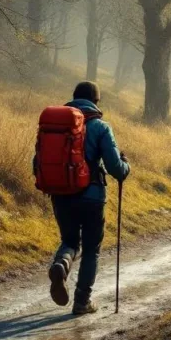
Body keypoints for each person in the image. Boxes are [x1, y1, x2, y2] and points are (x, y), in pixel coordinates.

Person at [47, 81, 129, 315]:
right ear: (96, 102)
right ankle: (82, 301)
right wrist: (126, 165)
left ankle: (62, 263)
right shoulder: (101, 127)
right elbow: (116, 168)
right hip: (92, 198)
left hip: (61, 195)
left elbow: (38, 162)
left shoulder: (55, 126)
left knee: (70, 241)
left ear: (74, 97)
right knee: (91, 249)